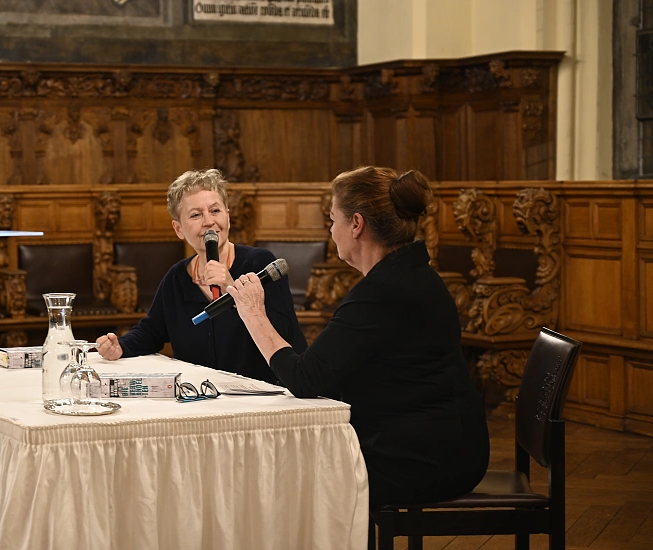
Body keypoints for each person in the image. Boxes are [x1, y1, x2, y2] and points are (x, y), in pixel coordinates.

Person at [226, 165, 490, 505]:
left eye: (333, 220)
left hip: (426, 458)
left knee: (282, 478)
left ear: (356, 224)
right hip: (443, 443)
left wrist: (253, 314)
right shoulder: (407, 276)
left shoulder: (384, 291)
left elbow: (305, 379)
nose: (331, 230)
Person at [96, 168, 307, 384]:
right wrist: (121, 346)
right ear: (179, 229)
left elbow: (286, 331)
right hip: (203, 397)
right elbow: (152, 331)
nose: (208, 222)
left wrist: (231, 288)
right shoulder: (177, 278)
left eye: (215, 211)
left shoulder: (259, 264)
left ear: (228, 216)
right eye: (196, 215)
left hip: (266, 394)